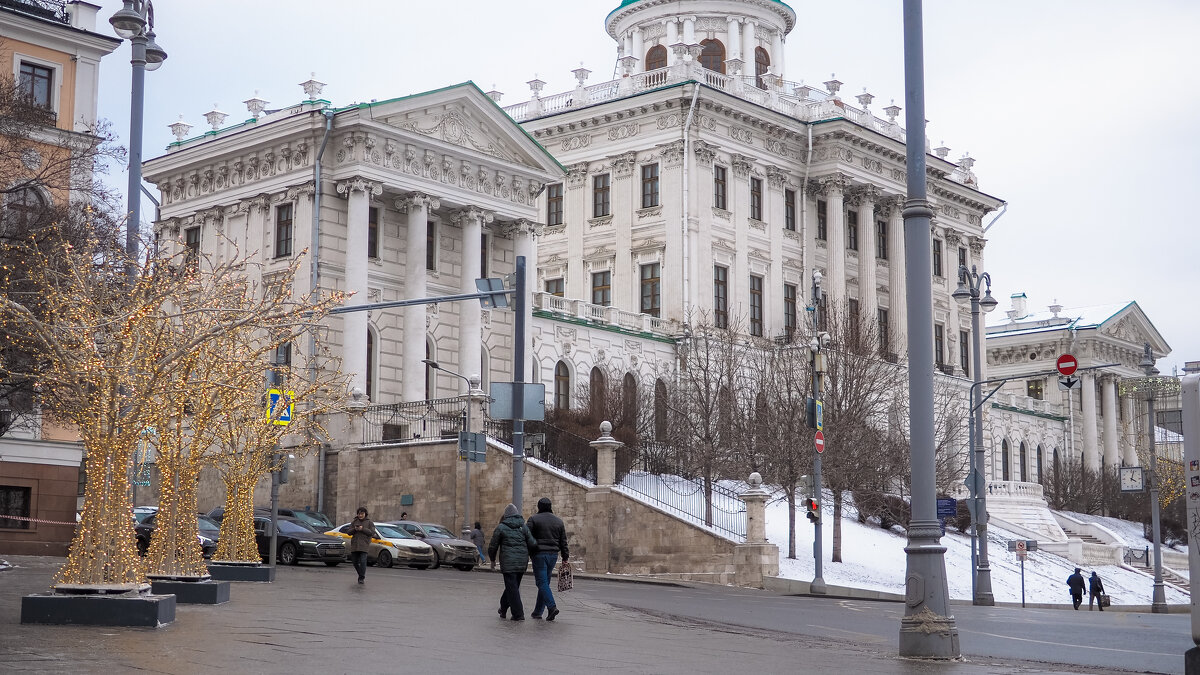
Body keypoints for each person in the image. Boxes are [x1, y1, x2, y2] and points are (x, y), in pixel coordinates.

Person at [488, 503, 538, 621]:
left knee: (512, 587)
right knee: (512, 587)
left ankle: (518, 614)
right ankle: (503, 608)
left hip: (508, 562)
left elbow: (492, 546)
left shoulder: (501, 527)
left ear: (506, 515)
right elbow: (533, 543)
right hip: (522, 562)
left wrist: (492, 560)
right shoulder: (523, 527)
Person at [526, 496, 570, 621]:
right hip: (553, 555)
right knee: (545, 582)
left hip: (539, 554)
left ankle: (552, 607)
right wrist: (565, 557)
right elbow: (563, 541)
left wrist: (530, 550)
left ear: (539, 507)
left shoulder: (533, 519)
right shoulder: (558, 521)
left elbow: (527, 536)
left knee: (541, 582)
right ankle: (538, 612)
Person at [348, 507, 377, 585]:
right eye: (359, 514)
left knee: (363, 561)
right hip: (355, 545)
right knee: (354, 562)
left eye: (362, 514)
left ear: (365, 514)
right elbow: (348, 532)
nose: (360, 515)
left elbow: (372, 532)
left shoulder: (369, 522)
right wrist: (355, 529)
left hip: (364, 545)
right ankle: (360, 574)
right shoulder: (354, 522)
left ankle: (361, 578)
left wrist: (362, 529)